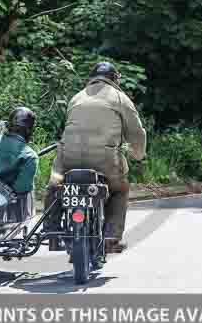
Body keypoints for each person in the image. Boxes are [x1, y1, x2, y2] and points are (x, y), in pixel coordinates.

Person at [45, 62, 146, 253]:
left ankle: (52, 232)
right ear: (115, 79)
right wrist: (137, 155)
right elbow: (137, 133)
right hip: (105, 161)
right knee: (120, 190)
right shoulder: (120, 98)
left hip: (68, 158)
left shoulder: (76, 97)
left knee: (56, 185)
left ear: (91, 78)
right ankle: (111, 237)